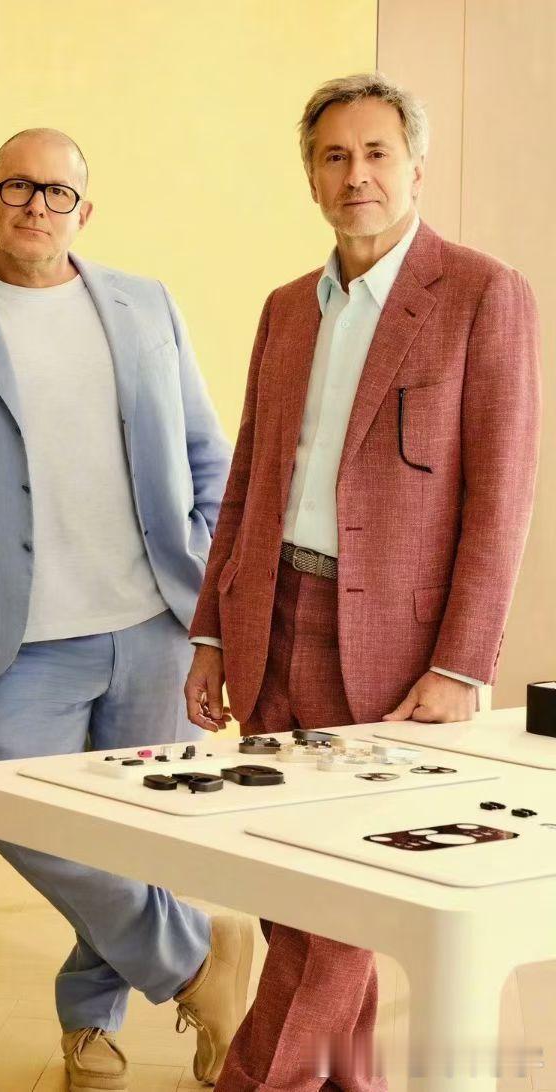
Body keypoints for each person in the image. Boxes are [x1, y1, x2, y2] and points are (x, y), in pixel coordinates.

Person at [0, 128, 246, 1091]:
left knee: (136, 836)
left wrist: (211, 592)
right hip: (22, 634)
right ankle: (201, 964)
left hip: (153, 623)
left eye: (57, 191)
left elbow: (210, 458)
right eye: (19, 187)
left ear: (86, 209)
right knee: (25, 818)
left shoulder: (147, 304)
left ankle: (90, 1024)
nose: (38, 205)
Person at [186, 72, 541, 1091]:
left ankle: (256, 1082)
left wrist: (462, 664)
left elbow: (502, 497)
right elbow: (249, 480)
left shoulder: (481, 294)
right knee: (290, 887)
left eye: (377, 153)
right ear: (310, 177)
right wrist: (212, 631)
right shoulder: (284, 310)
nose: (357, 176)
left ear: (416, 166)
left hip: (396, 653)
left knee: (342, 904)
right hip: (272, 624)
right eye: (334, 157)